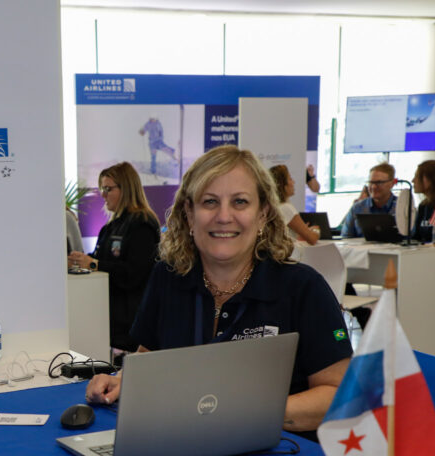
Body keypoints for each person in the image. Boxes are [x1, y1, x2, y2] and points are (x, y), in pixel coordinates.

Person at [86, 145, 352, 436]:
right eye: (210, 202)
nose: (224, 216)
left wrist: (247, 413)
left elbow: (337, 395)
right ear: (189, 212)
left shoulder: (304, 288)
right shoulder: (168, 277)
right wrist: (124, 379)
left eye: (240, 202)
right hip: (180, 444)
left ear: (263, 214)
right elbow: (150, 355)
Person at [68, 161, 161, 354]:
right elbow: (100, 259)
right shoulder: (110, 227)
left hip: (132, 322)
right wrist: (80, 260)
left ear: (126, 189)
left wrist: (94, 264)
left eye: (108, 189)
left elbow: (135, 273)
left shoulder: (142, 224)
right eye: (102, 189)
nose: (103, 195)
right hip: (110, 320)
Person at [339, 163, 397, 238]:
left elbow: (411, 238)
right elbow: (346, 237)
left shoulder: (404, 208)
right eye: (371, 182)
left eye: (379, 183)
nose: (373, 187)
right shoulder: (357, 208)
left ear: (392, 183)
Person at [268, 165, 318, 245]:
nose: (293, 182)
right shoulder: (286, 208)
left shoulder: (272, 208)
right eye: (290, 178)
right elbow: (312, 239)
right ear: (283, 185)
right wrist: (315, 230)